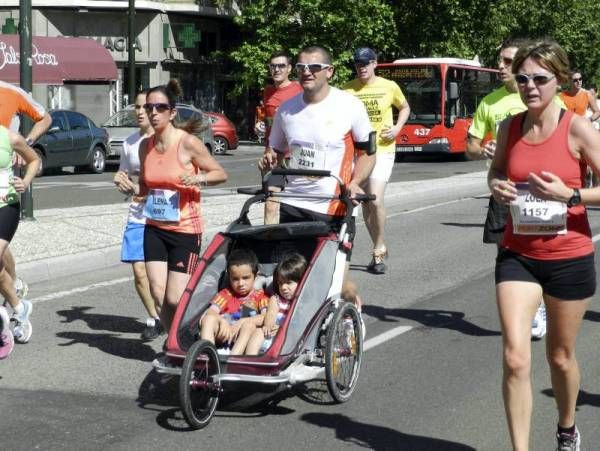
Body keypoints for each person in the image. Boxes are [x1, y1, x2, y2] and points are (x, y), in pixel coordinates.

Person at [488, 39, 600, 450]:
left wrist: (569, 196)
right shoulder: (509, 127)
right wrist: (496, 185)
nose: (530, 86)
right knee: (516, 358)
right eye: (522, 78)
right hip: (518, 254)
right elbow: (498, 170)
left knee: (560, 357)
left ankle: (567, 426)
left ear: (560, 79)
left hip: (569, 257)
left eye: (539, 78)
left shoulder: (578, 128)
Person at [262, 45, 375, 333]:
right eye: (300, 68)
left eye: (313, 68)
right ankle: (299, 338)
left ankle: (350, 304)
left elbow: (368, 152)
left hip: (333, 205)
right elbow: (276, 150)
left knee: (332, 281)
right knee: (291, 277)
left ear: (329, 71)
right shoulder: (287, 110)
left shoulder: (349, 106)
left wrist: (355, 183)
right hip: (293, 202)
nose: (306, 73)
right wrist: (270, 159)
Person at [136, 80, 227, 367]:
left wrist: (198, 178)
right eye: (149, 107)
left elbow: (219, 173)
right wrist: (129, 188)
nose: (153, 113)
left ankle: (193, 335)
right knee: (157, 292)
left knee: (176, 298)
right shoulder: (145, 146)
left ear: (172, 112)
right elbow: (144, 187)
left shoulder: (187, 143)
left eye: (160, 107)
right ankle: (176, 342)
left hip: (185, 231)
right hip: (154, 227)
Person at [467, 37, 553, 340]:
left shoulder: (543, 96)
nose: (500, 67)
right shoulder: (490, 102)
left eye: (508, 61)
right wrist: (484, 149)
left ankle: (539, 302)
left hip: (541, 189)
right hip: (505, 190)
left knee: (541, 252)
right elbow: (471, 146)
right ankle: (522, 307)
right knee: (506, 252)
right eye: (499, 61)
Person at [344, 47, 410, 274]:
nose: (360, 68)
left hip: (382, 149)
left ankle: (378, 249)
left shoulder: (389, 86)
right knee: (364, 202)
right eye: (357, 64)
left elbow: (404, 107)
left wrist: (397, 128)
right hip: (359, 152)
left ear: (374, 64)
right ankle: (378, 245)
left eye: (365, 63)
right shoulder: (348, 89)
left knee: (375, 198)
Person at [113, 91, 162, 341]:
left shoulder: (166, 141)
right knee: (139, 271)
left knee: (159, 279)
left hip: (164, 214)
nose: (141, 111)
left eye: (146, 107)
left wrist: (142, 189)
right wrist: (120, 180)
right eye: (138, 107)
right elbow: (124, 174)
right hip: (136, 213)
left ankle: (172, 315)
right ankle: (154, 317)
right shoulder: (129, 143)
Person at [0, 80, 52, 302]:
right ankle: (13, 285)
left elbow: (45, 118)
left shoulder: (12, 92)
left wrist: (25, 144)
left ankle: (13, 285)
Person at [0, 125, 40, 344]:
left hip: (6, 206)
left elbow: (34, 160)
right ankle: (19, 306)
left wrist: (25, 182)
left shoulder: (9, 138)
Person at [257, 50, 303, 224]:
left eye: (281, 66)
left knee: (293, 206)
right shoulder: (268, 91)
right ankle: (268, 244)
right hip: (273, 156)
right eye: (273, 66)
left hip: (296, 157)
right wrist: (262, 125)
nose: (276, 69)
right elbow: (270, 122)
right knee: (271, 203)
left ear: (289, 68)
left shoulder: (299, 89)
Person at [199, 248, 269, 355]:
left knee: (249, 326)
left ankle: (233, 358)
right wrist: (222, 322)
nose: (241, 283)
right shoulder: (226, 293)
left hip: (244, 334)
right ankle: (209, 355)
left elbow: (265, 317)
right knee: (208, 319)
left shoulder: (260, 296)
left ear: (256, 276)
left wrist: (243, 322)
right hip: (225, 332)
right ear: (229, 278)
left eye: (245, 278)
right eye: (235, 279)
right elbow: (211, 312)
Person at [245, 252, 307, 355]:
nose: (283, 287)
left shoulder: (304, 302)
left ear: (302, 282)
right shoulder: (276, 299)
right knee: (258, 332)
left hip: (290, 338)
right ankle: (250, 359)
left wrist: (283, 329)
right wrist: (268, 326)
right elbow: (271, 313)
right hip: (272, 334)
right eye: (280, 283)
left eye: (288, 283)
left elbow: (301, 324)